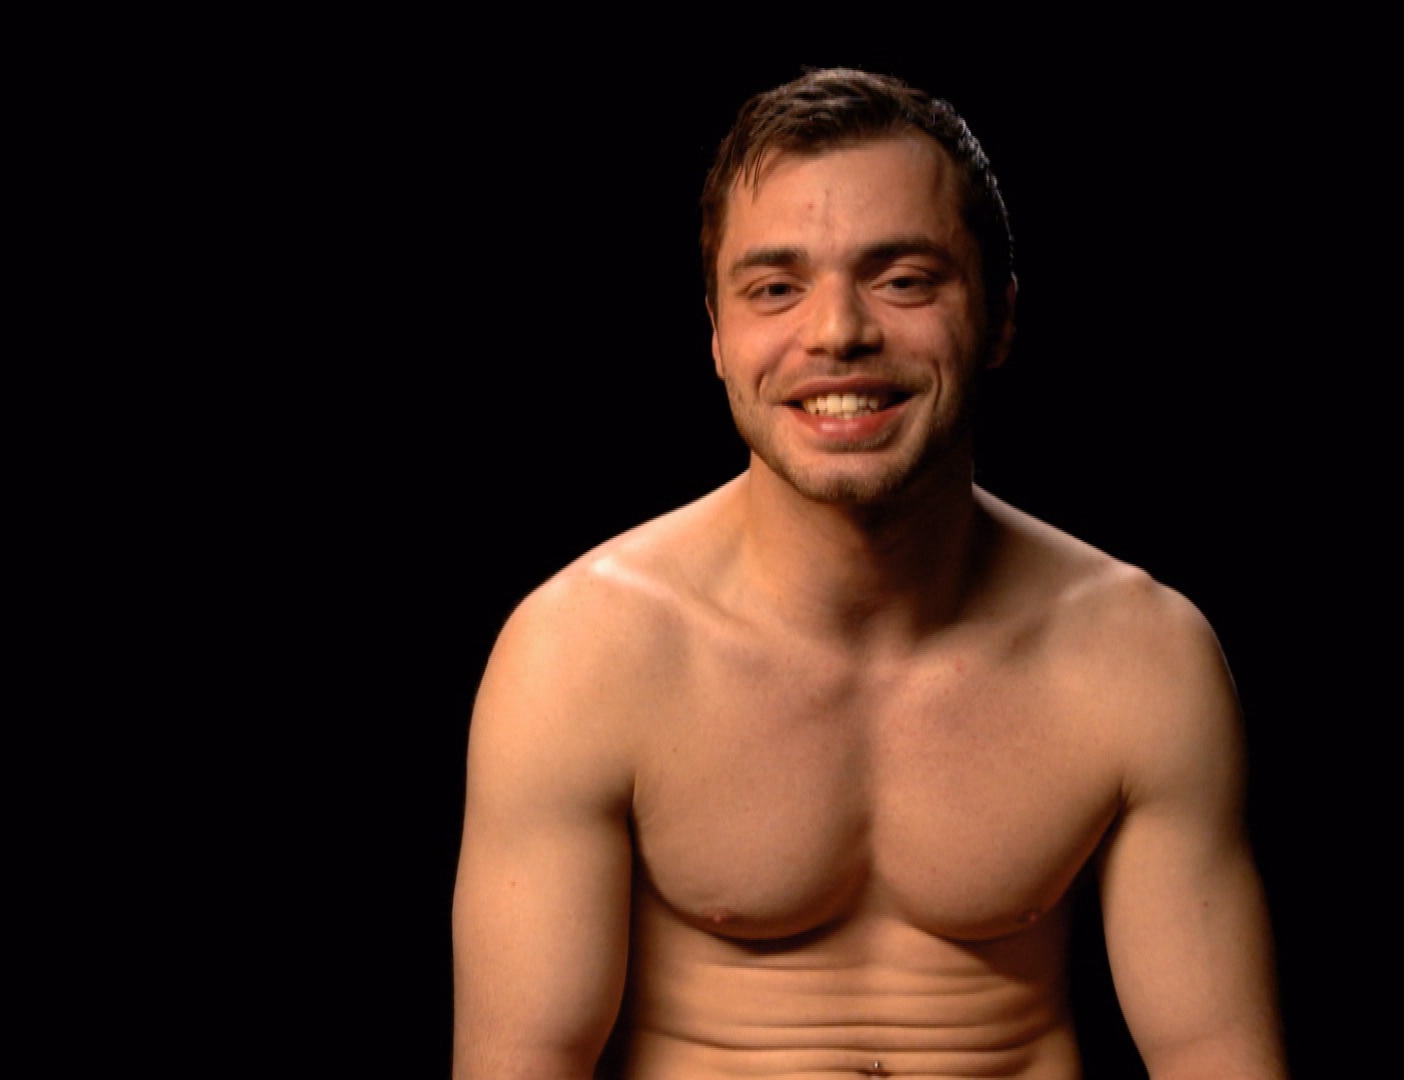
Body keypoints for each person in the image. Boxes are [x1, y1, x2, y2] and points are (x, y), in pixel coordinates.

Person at [450, 68, 1285, 1079]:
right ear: (717, 336)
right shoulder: (581, 657)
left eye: (905, 280)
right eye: (775, 289)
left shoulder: (1139, 656)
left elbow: (1213, 1053)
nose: (838, 331)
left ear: (1000, 316)